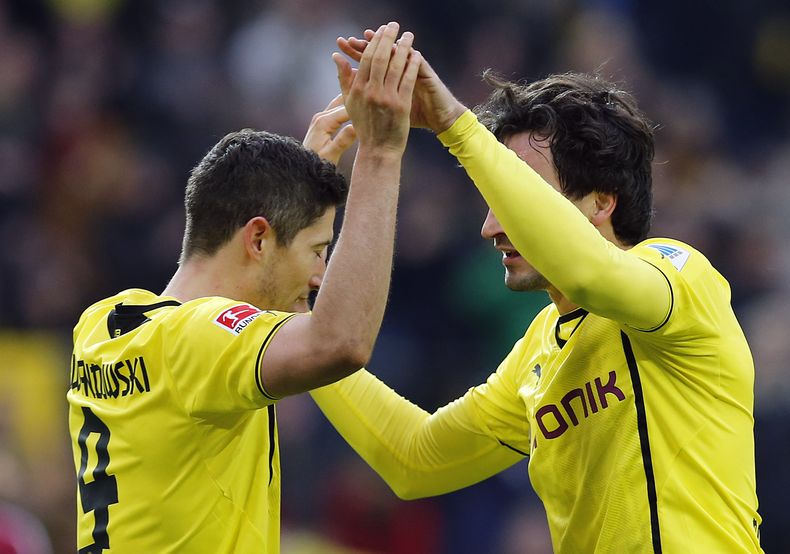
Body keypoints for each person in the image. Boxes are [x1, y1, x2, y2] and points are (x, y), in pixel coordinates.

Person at [310, 30, 763, 553]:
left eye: (519, 194)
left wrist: (456, 125)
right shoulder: (538, 350)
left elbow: (591, 274)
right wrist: (302, 322)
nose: (490, 227)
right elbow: (414, 459)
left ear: (601, 202)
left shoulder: (680, 276)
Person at [67, 22, 421, 553]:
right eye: (318, 252)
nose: (320, 277)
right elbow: (340, 342)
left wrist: (297, 205)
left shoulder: (101, 325)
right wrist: (381, 154)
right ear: (257, 238)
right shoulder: (200, 339)